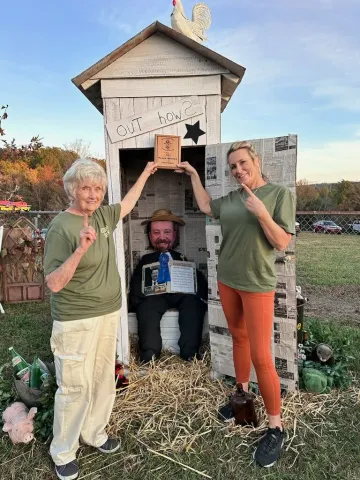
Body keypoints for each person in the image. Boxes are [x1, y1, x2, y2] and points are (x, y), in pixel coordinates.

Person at [176, 142, 295, 468]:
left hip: (257, 285)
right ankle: (241, 395)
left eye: (243, 162)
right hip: (227, 279)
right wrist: (192, 173)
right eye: (232, 166)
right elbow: (204, 205)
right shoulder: (230, 199)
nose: (238, 169)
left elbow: (282, 241)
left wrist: (262, 214)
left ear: (255, 161)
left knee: (261, 356)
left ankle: (275, 426)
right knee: (238, 338)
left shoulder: (278, 194)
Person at [44, 158, 157, 480]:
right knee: (74, 386)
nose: (92, 194)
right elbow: (53, 283)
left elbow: (129, 202)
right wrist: (79, 251)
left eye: (97, 188)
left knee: (102, 379)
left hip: (108, 313)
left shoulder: (104, 215)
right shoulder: (61, 227)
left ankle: (95, 433)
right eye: (85, 188)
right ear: (72, 190)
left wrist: (147, 172)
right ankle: (63, 451)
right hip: (76, 320)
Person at [129, 209, 207, 363]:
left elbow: (200, 284)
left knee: (193, 304)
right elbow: (136, 285)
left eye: (167, 232)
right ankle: (149, 355)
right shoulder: (146, 260)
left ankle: (190, 353)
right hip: (154, 298)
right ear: (150, 236)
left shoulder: (182, 259)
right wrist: (141, 299)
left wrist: (195, 292)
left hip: (180, 296)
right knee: (146, 307)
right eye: (156, 233)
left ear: (174, 235)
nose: (162, 237)